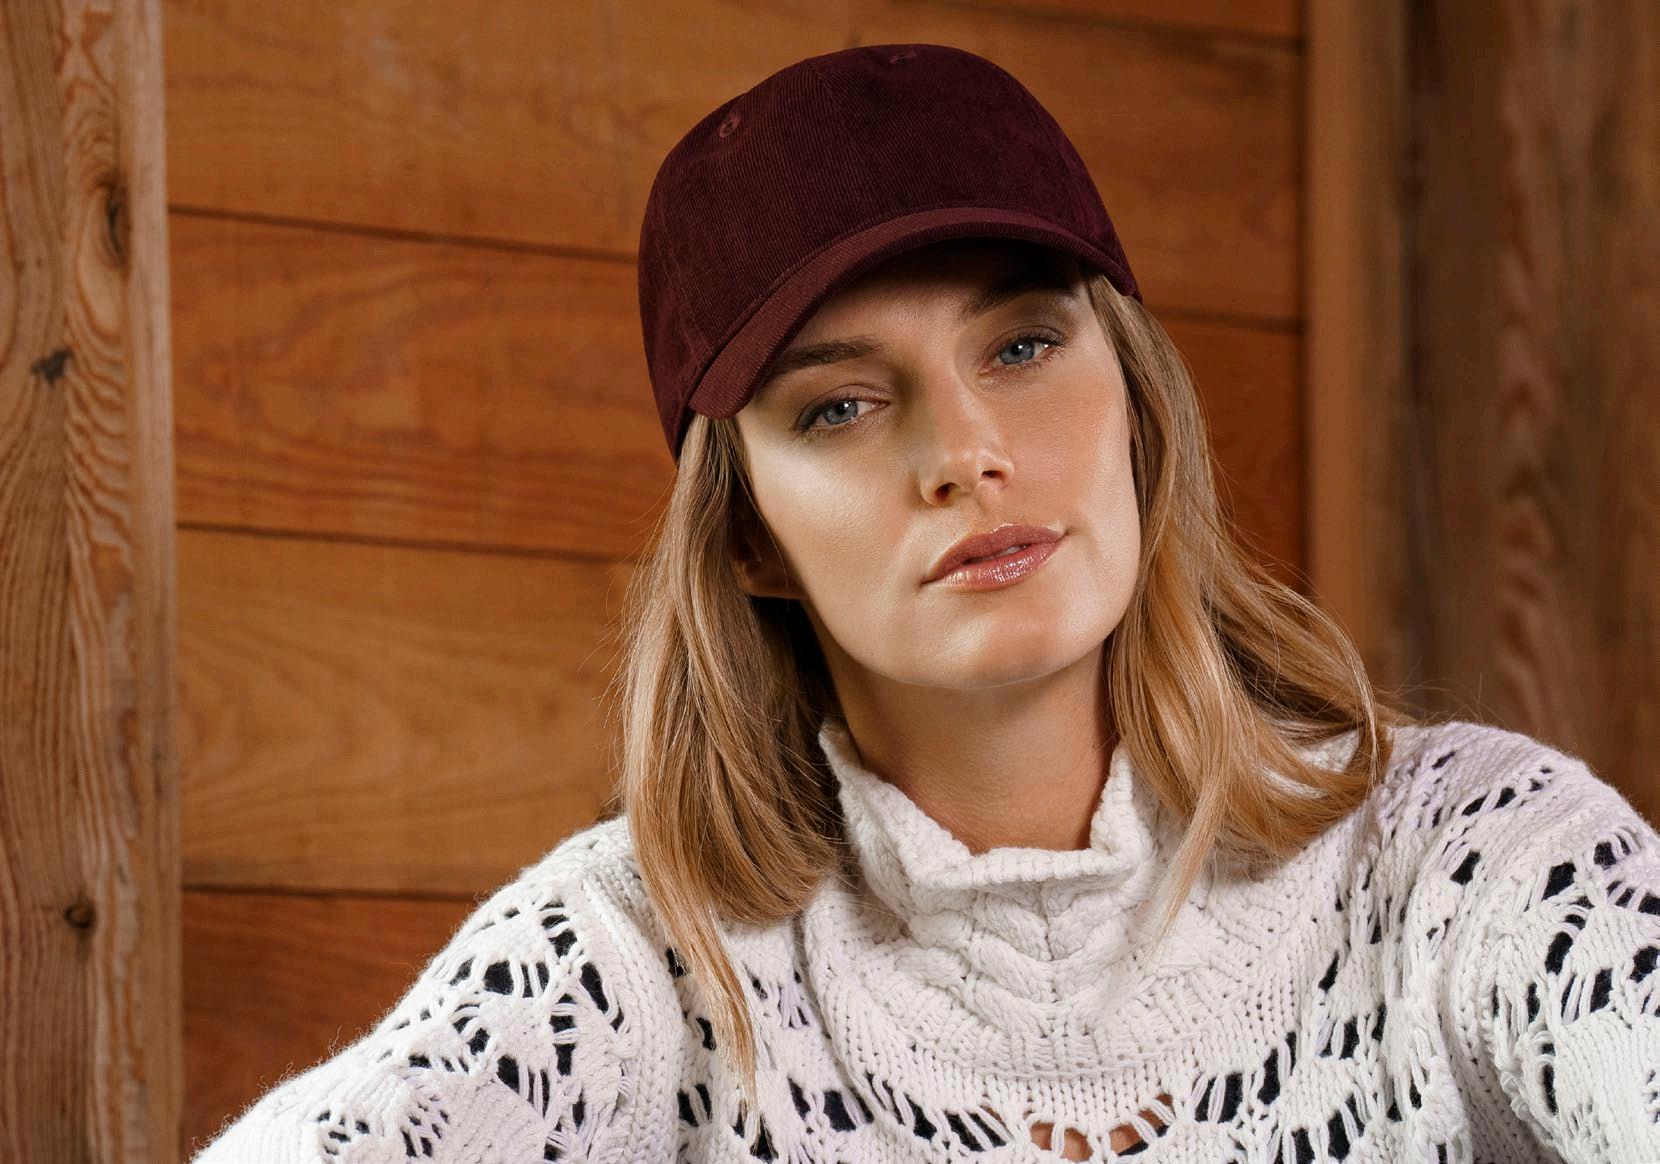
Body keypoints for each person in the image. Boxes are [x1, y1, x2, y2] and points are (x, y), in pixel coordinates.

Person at [191, 43, 1660, 1164]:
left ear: (1137, 402)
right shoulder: (637, 964)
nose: (966, 452)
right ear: (748, 535)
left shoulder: (1467, 861)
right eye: (839, 406)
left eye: (1022, 345)